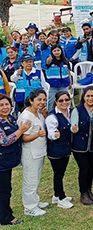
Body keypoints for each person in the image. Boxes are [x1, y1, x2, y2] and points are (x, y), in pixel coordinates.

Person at [0, 93, 31, 225]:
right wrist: (21, 130)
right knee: (4, 190)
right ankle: (6, 218)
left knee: (6, 189)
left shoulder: (11, 119)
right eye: (1, 105)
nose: (5, 107)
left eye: (7, 104)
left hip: (8, 161)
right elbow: (4, 141)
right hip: (2, 163)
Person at [18, 89, 49, 216]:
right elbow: (24, 137)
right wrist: (37, 135)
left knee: (36, 178)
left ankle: (34, 200)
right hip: (30, 152)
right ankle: (29, 207)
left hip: (40, 151)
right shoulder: (26, 116)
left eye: (44, 99)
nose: (42, 102)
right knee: (30, 180)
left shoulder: (38, 113)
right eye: (39, 100)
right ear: (31, 101)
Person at [45, 91, 74, 209]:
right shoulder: (52, 116)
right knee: (58, 174)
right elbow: (51, 133)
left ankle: (56, 195)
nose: (64, 102)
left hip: (66, 148)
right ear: (56, 102)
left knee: (60, 173)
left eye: (67, 100)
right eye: (61, 100)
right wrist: (54, 135)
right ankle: (61, 198)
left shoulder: (71, 112)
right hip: (56, 150)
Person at [70, 87, 93, 206]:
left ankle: (89, 190)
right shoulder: (77, 110)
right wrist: (74, 128)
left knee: (91, 168)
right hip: (80, 146)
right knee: (84, 168)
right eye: (88, 96)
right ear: (83, 97)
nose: (90, 99)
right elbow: (73, 126)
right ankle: (83, 193)